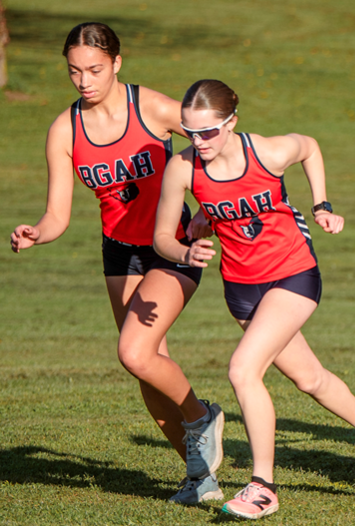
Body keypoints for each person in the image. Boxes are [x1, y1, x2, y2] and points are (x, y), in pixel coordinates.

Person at [153, 79, 355, 519]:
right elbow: (160, 237)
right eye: (189, 132)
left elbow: (309, 147)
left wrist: (322, 204)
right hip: (241, 289)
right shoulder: (182, 167)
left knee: (242, 370)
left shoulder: (266, 153)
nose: (199, 141)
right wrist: (185, 249)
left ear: (232, 122)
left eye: (208, 132)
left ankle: (262, 486)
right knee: (310, 379)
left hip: (293, 274)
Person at [9, 22, 224, 504]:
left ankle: (201, 417)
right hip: (118, 253)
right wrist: (36, 233)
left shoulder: (151, 108)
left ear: (117, 64)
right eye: (74, 71)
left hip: (171, 246)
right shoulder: (65, 130)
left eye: (94, 70)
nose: (84, 81)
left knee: (134, 351)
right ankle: (198, 474)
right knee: (146, 364)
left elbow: (218, 149)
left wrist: (210, 213)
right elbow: (57, 213)